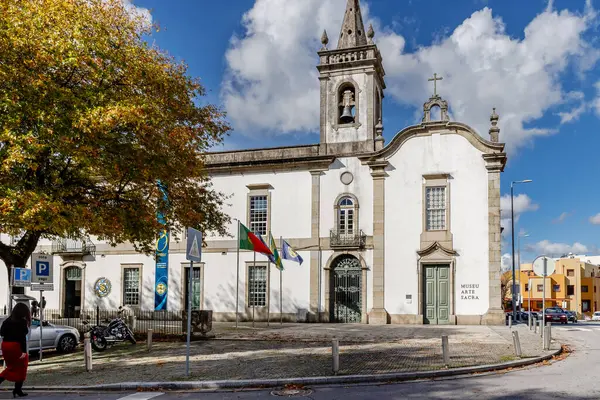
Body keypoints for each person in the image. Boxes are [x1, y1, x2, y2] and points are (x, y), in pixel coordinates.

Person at [0, 303, 31, 397]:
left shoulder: (7, 320)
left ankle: (17, 390)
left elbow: (2, 332)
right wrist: (24, 352)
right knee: (22, 368)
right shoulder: (21, 322)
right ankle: (18, 390)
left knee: (11, 367)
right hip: (16, 347)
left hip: (6, 346)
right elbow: (22, 337)